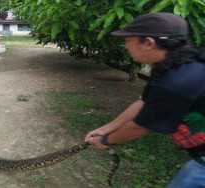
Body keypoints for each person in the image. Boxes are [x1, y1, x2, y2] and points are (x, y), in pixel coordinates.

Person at [84, 12, 205, 187]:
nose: (125, 46)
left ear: (148, 43)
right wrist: (106, 129)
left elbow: (139, 127)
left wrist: (105, 141)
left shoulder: (176, 81)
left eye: (128, 40)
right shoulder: (174, 64)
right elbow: (143, 102)